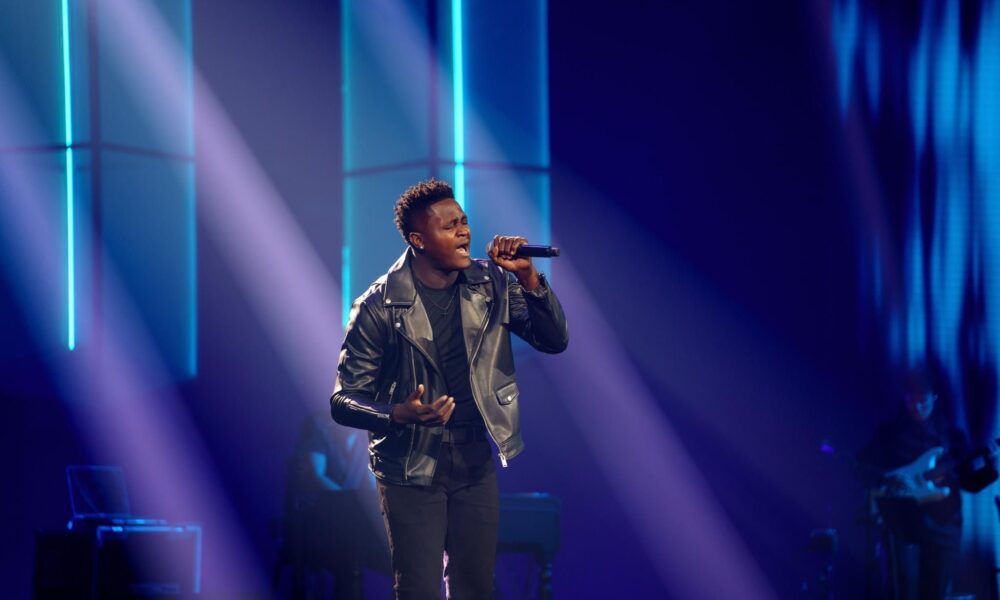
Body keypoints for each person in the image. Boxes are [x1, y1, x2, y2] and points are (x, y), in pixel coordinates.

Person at [329, 179, 568, 599]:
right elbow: (343, 399)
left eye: (464, 221)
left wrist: (528, 277)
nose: (464, 232)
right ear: (418, 240)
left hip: (474, 457)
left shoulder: (490, 283)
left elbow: (553, 341)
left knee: (476, 587)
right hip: (410, 464)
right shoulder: (379, 305)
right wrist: (396, 414)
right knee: (418, 588)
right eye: (449, 226)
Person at [858, 372, 970, 600]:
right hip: (902, 526)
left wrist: (989, 468)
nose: (918, 407)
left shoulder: (953, 436)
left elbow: (969, 481)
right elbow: (860, 466)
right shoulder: (890, 434)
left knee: (935, 593)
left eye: (923, 400)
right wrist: (886, 478)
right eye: (911, 400)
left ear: (934, 396)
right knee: (902, 591)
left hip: (944, 527)